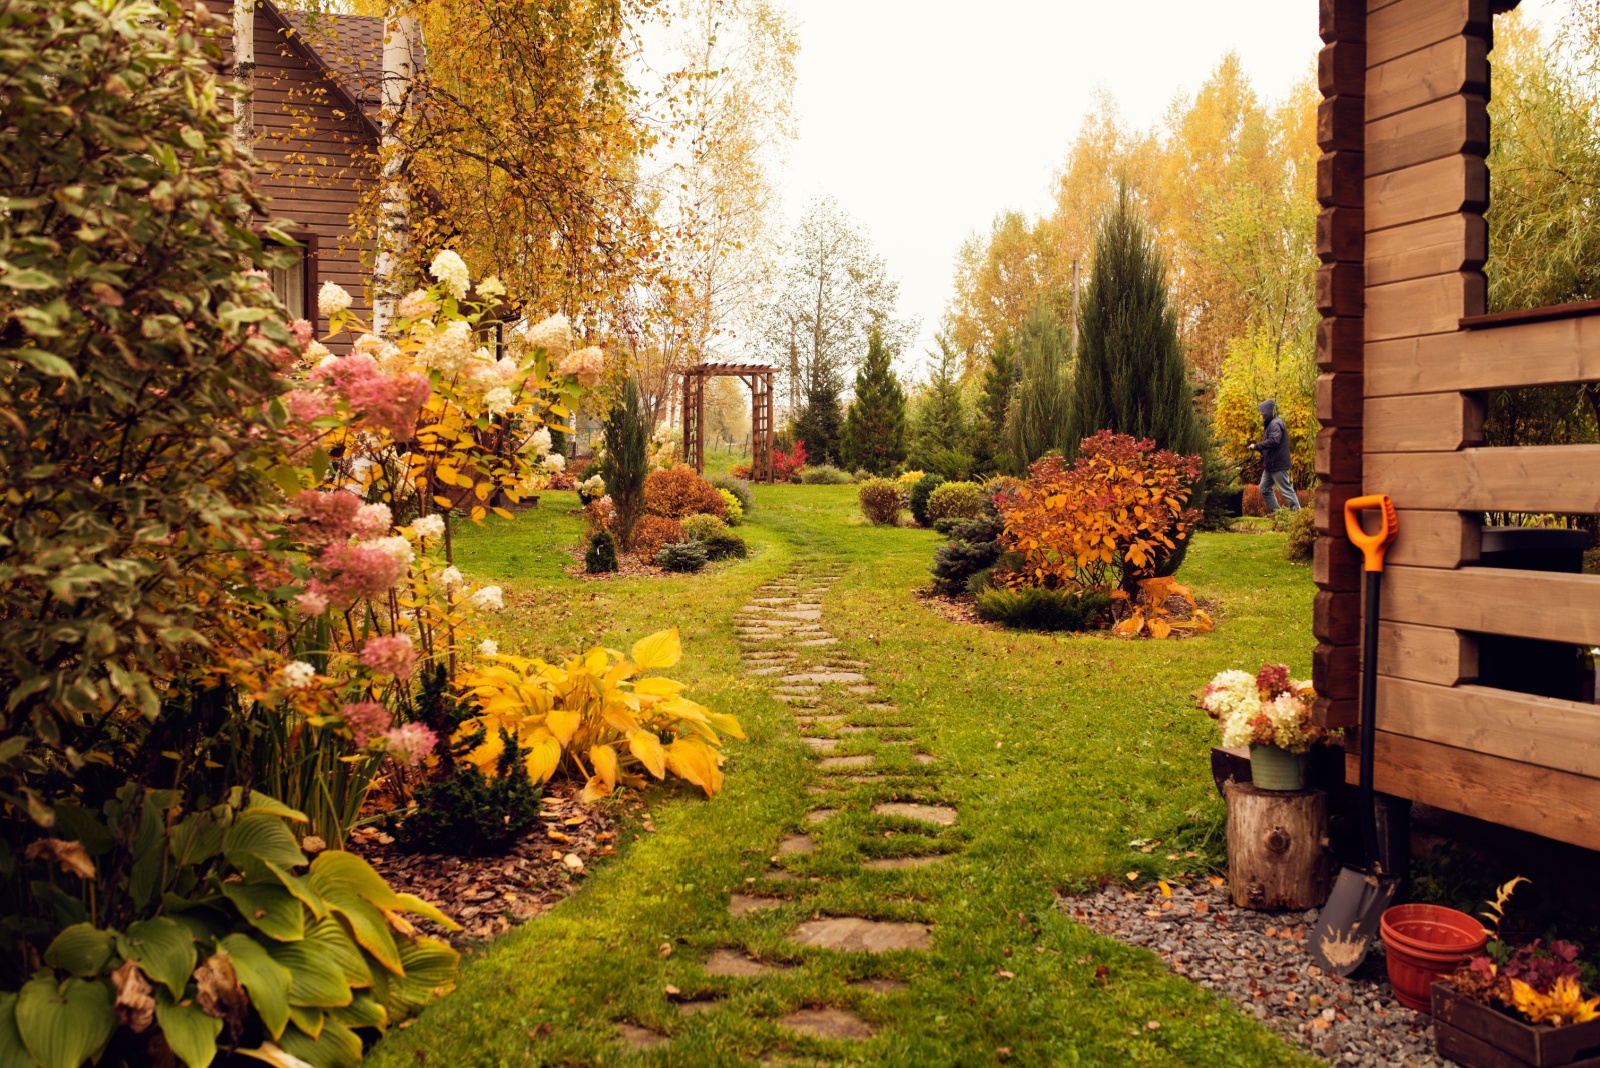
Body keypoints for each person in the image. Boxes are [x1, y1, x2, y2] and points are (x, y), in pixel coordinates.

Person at [1249, 399, 1299, 512]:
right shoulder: (1270, 424)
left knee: (1286, 490)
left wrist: (1257, 446)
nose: (1261, 414)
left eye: (1262, 412)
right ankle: (1278, 514)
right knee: (1264, 489)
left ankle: (1297, 516)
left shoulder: (1276, 423)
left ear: (1267, 411)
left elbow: (1274, 441)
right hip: (1270, 465)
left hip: (1278, 464)